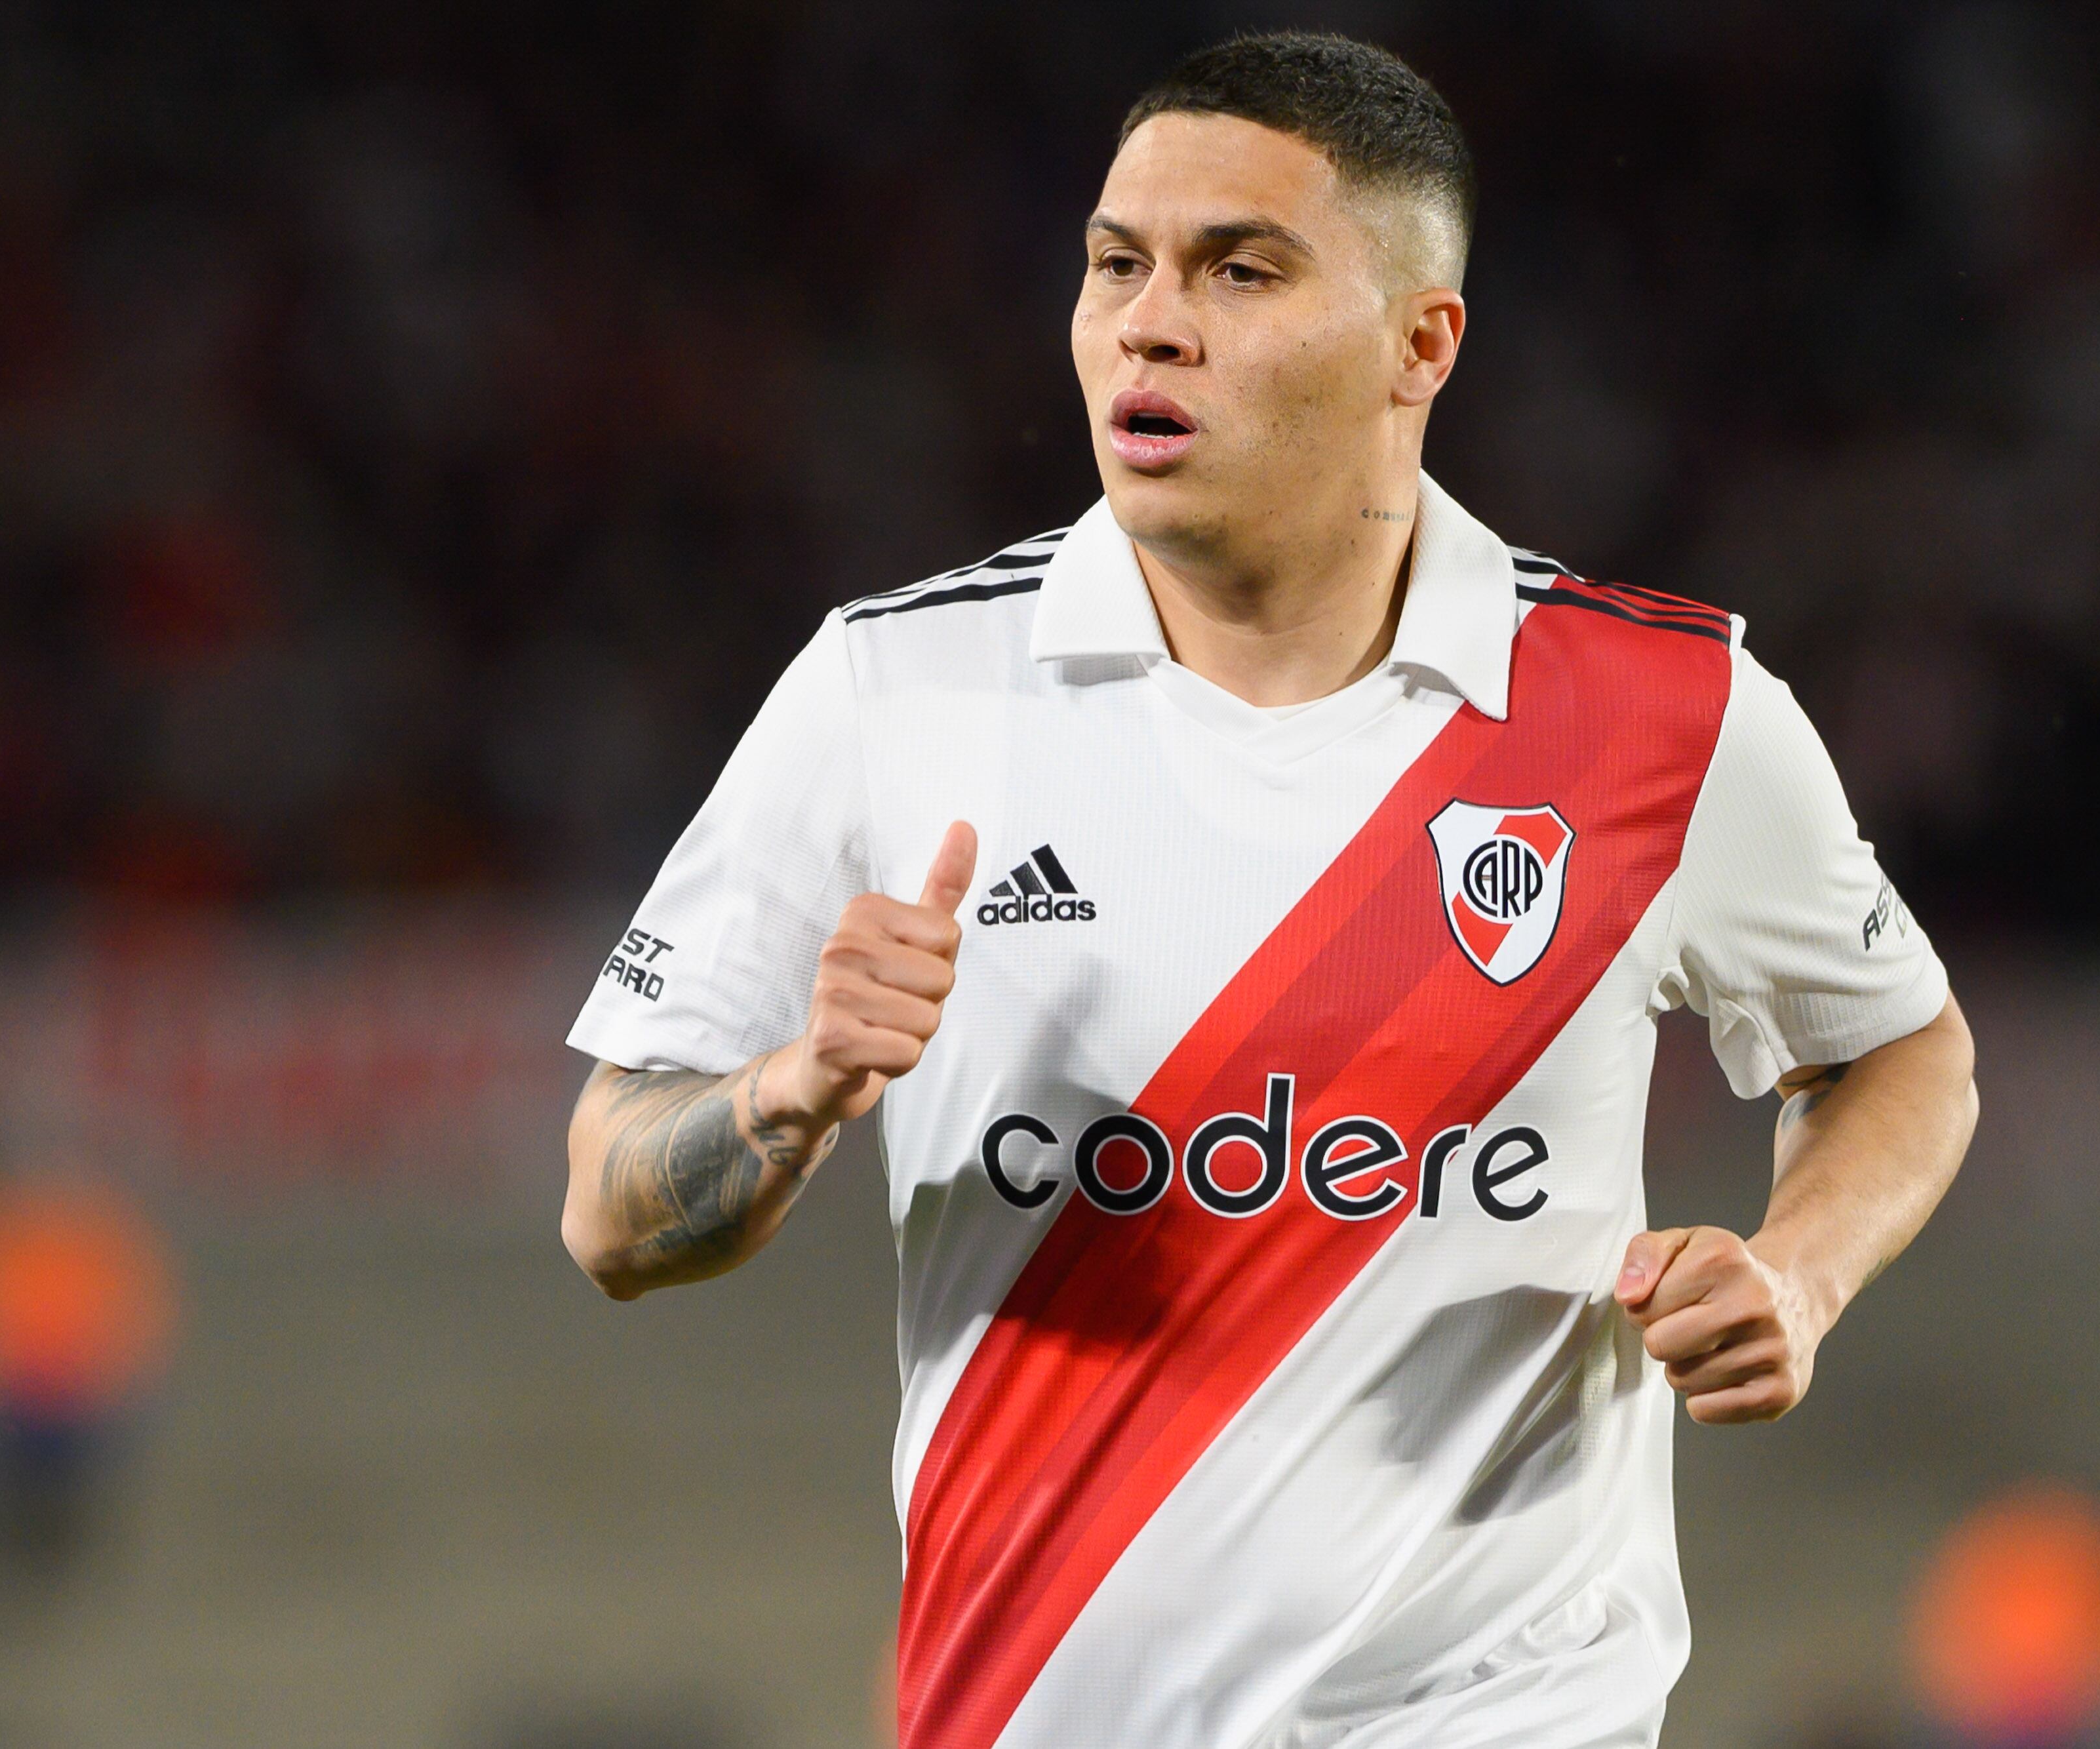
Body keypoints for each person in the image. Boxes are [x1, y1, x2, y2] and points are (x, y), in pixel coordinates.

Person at [559, 31, 1979, 1749]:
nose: (1151, 322)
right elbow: (613, 1213)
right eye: (1115, 265)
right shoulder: (901, 690)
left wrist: (1799, 1274)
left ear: (1421, 342)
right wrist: (790, 1095)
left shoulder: (1661, 715)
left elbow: (1900, 1049)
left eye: (1240, 268)